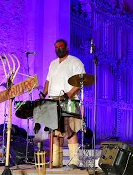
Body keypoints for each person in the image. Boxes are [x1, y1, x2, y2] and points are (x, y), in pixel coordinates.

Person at [41, 39, 85, 169]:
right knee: (55, 132)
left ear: (66, 48)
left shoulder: (75, 61)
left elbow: (81, 80)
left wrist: (69, 94)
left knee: (70, 131)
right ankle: (56, 162)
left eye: (60, 46)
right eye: (56, 47)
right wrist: (43, 94)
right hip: (53, 101)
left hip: (69, 100)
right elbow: (48, 81)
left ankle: (74, 162)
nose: (58, 49)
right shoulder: (53, 63)